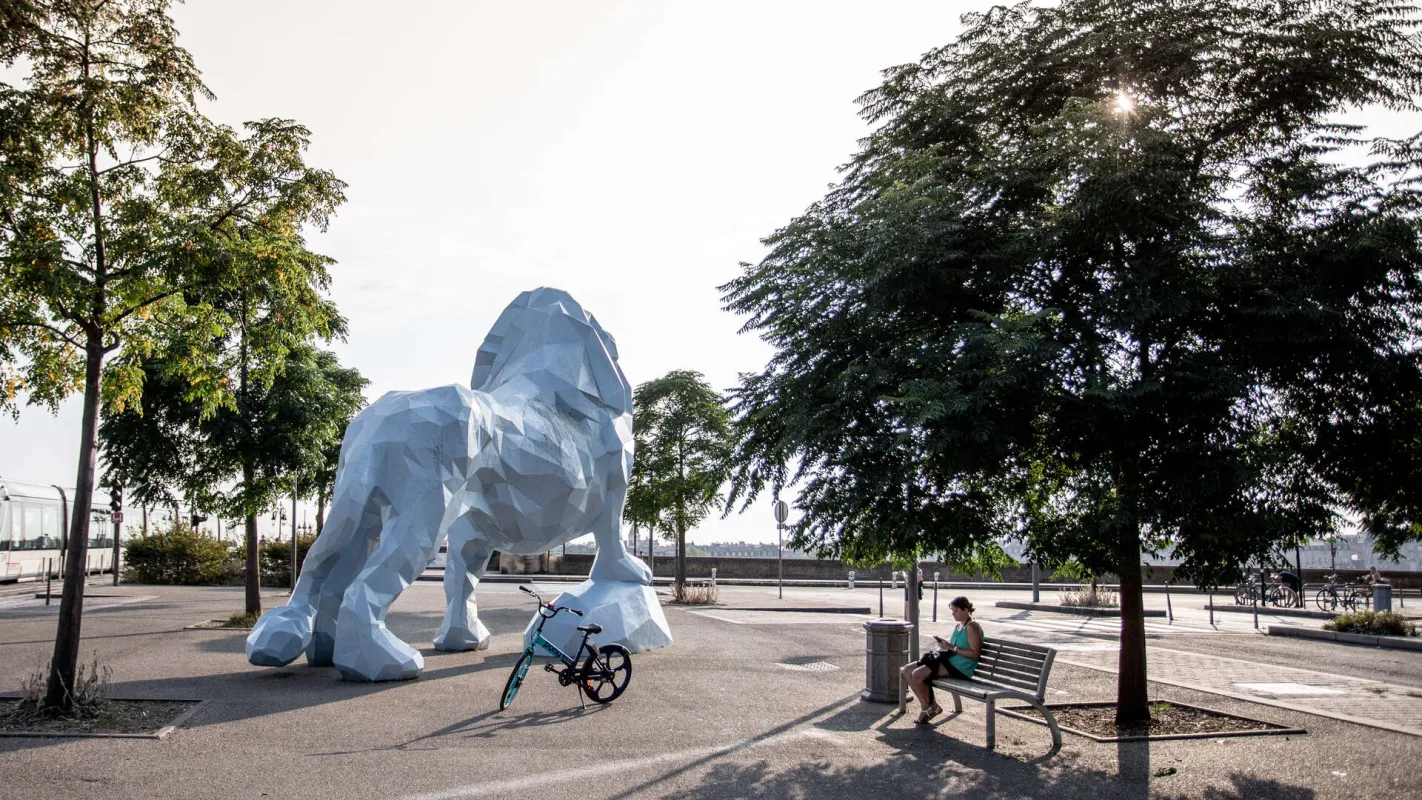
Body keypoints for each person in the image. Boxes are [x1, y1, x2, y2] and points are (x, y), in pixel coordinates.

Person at [899, 596, 982, 725]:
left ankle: (929, 708)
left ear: (965, 610)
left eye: (956, 611)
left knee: (917, 674)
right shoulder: (958, 626)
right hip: (949, 662)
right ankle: (928, 706)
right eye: (952, 611)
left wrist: (952, 647)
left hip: (961, 667)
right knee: (906, 670)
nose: (953, 614)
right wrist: (944, 645)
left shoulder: (972, 627)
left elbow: (975, 654)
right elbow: (953, 647)